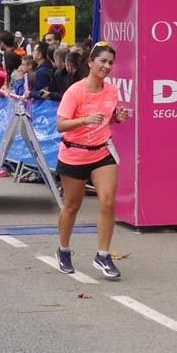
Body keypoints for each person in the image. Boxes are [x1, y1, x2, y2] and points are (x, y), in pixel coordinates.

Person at [54, 44, 131, 280]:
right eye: (102, 61)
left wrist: (117, 117)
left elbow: (108, 118)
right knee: (72, 206)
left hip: (102, 152)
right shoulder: (75, 92)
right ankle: (63, 250)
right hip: (74, 153)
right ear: (90, 62)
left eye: (110, 63)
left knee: (108, 201)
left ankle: (103, 255)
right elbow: (61, 125)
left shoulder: (112, 91)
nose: (106, 66)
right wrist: (84, 120)